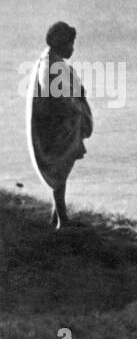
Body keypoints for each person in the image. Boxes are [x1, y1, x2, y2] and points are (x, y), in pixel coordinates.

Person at [26, 21, 93, 229]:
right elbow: (57, 97)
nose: (72, 48)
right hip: (55, 129)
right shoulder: (51, 65)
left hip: (58, 126)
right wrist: (75, 104)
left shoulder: (53, 61)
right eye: (71, 44)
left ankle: (58, 215)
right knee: (59, 168)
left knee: (61, 170)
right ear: (62, 43)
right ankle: (61, 218)